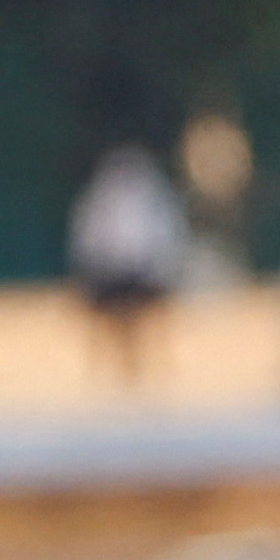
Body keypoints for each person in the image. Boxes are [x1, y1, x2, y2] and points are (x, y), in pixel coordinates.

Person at [73, 137, 193, 381]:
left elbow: (168, 241)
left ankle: (145, 363)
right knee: (115, 306)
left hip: (144, 274)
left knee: (139, 305)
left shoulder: (155, 199)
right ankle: (117, 364)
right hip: (111, 276)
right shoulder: (101, 198)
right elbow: (90, 242)